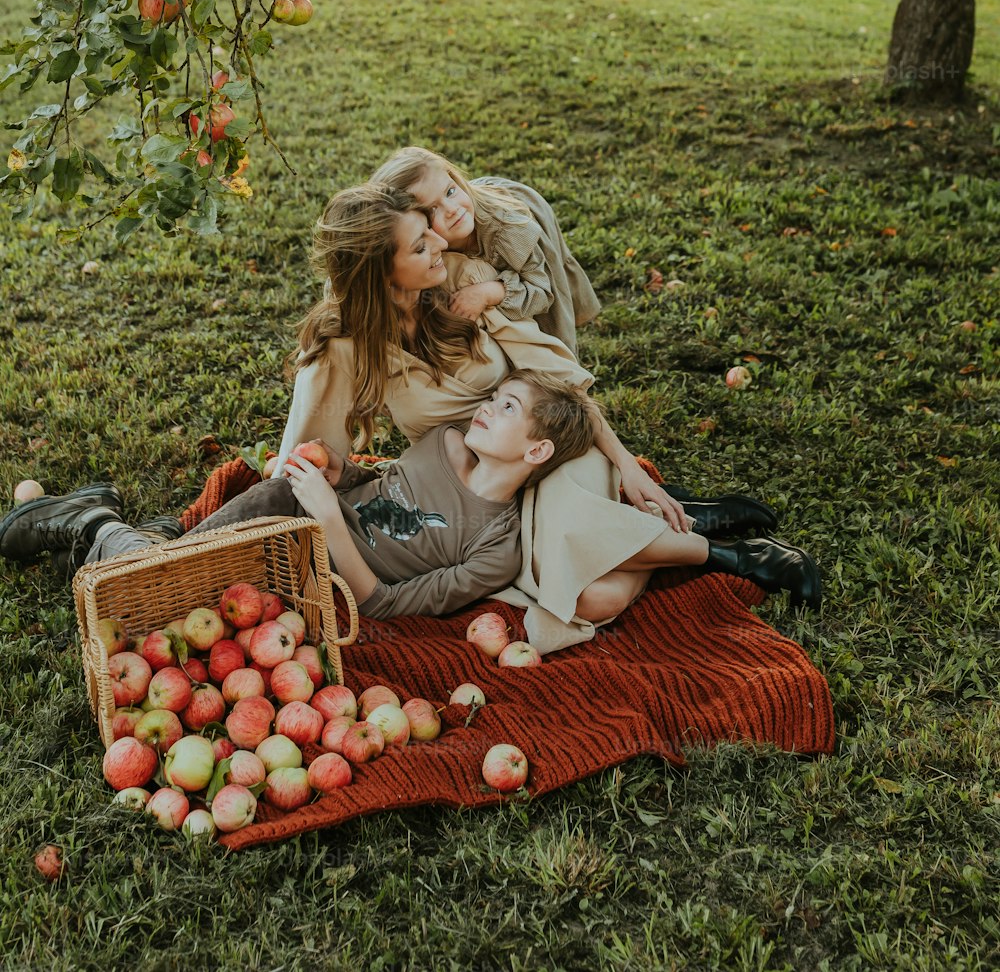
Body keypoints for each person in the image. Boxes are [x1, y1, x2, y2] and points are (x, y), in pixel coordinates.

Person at [267, 183, 819, 651]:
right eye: (420, 242)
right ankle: (674, 527)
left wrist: (625, 464)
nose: (441, 239)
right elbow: (306, 463)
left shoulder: (464, 281)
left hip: (547, 447)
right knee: (590, 598)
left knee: (578, 533)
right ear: (383, 270)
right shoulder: (349, 347)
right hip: (478, 495)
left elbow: (556, 385)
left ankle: (733, 556)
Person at [0, 372, 598, 623]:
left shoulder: (496, 547)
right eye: (494, 397)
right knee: (159, 588)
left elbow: (384, 605)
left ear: (537, 452)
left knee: (156, 603)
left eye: (508, 408)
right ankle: (106, 530)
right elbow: (377, 484)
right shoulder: (442, 441)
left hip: (312, 570)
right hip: (283, 514)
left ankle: (93, 523)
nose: (487, 408)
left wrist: (328, 517)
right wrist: (339, 474)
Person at [370, 146, 600, 354]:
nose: (452, 209)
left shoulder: (509, 232)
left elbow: (542, 291)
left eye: (450, 191)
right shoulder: (425, 240)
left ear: (455, 180)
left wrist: (489, 292)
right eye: (432, 210)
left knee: (551, 295)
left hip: (522, 219)